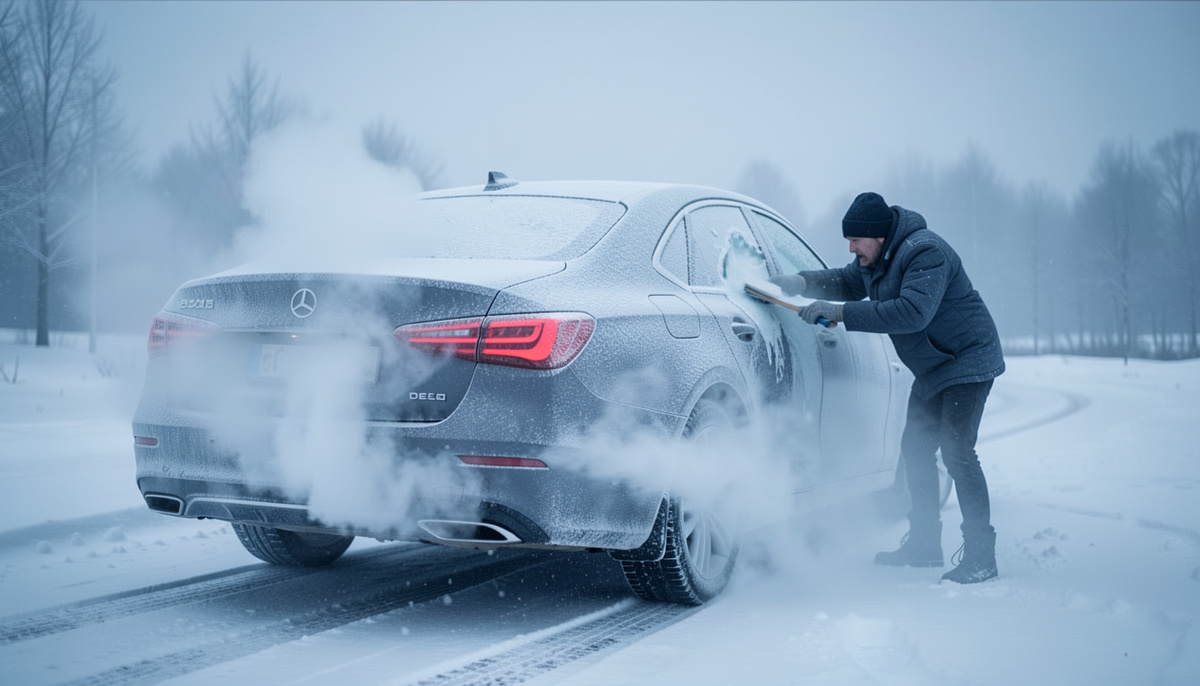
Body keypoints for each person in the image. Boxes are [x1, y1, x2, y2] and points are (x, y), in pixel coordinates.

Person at [771, 191, 1005, 583]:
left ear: (879, 235)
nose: (851, 248)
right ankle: (925, 544)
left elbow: (913, 313)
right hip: (933, 366)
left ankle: (982, 556)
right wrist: (800, 282)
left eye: (856, 240)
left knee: (957, 451)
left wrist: (840, 314)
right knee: (915, 449)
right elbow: (846, 282)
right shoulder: (877, 259)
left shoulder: (925, 252)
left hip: (968, 359)